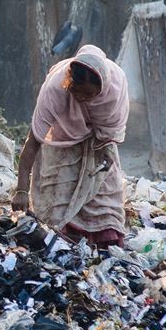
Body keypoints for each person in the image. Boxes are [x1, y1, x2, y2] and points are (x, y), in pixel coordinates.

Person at [12, 45, 129, 249]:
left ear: (101, 90)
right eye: (77, 92)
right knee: (58, 204)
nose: (82, 99)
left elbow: (110, 132)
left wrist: (100, 164)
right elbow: (32, 144)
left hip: (100, 145)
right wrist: (21, 190)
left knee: (103, 202)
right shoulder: (55, 90)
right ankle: (63, 247)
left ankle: (101, 247)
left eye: (89, 94)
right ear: (69, 83)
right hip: (62, 141)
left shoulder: (114, 91)